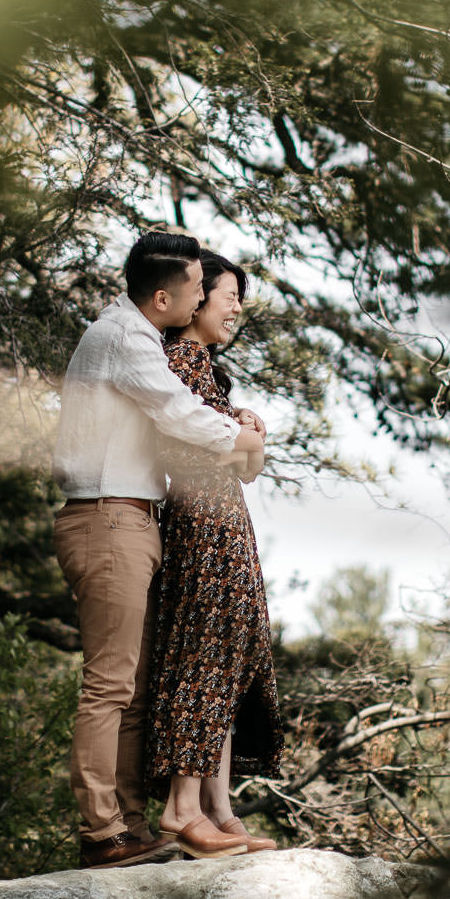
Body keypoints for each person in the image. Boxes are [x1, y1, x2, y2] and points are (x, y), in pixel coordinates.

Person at [53, 231, 268, 869]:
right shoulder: (127, 338)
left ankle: (129, 826)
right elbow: (179, 414)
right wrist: (246, 434)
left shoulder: (141, 336)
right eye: (199, 289)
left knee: (136, 687)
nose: (204, 299)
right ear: (164, 296)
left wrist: (237, 426)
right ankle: (102, 832)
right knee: (111, 684)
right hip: (108, 516)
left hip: (133, 517)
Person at [146, 251, 283, 858]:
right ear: (196, 298)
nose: (236, 309)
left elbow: (247, 465)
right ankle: (183, 809)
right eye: (229, 296)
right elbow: (195, 454)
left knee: (227, 663)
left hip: (224, 524)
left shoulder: (207, 371)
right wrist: (244, 436)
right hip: (202, 527)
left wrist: (245, 435)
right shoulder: (179, 361)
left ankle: (218, 809)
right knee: (202, 660)